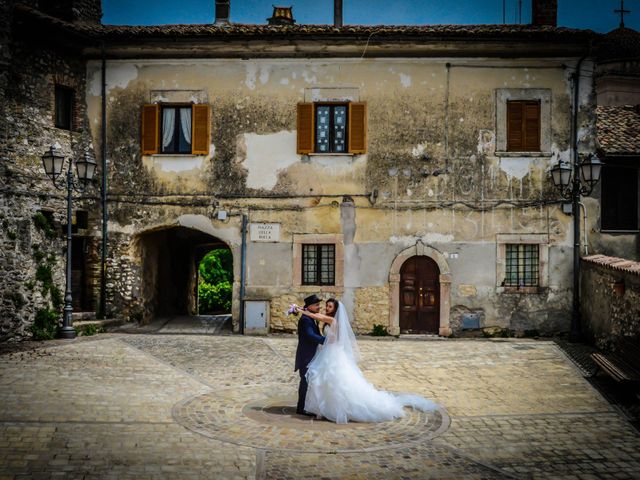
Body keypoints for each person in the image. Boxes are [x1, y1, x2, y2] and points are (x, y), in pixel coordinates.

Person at [296, 300, 437, 424]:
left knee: (336, 381)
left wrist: (302, 311)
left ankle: (339, 407)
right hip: (329, 353)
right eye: (326, 306)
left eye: (330, 307)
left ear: (336, 309)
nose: (326, 308)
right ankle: (326, 407)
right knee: (326, 381)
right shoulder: (329, 320)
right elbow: (319, 319)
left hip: (334, 354)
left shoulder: (333, 321)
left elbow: (317, 316)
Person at [293, 294, 333, 416]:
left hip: (311, 354)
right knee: (305, 381)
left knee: (309, 381)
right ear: (310, 306)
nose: (319, 307)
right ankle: (301, 408)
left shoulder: (310, 317)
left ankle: (306, 405)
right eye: (317, 305)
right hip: (306, 355)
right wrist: (325, 340)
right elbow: (310, 335)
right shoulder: (306, 320)